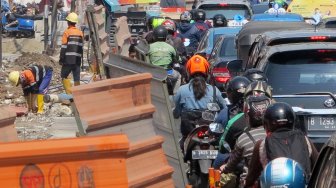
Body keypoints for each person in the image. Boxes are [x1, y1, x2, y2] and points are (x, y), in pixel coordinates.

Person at [245, 102, 319, 187]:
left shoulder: (262, 144)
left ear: (266, 124)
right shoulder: (305, 139)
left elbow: (251, 177)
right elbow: (319, 166)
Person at [173, 54, 227, 149]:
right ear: (207, 72)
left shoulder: (181, 90)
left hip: (188, 132)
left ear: (188, 72)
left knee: (180, 146)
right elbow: (224, 110)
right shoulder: (214, 90)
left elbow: (176, 114)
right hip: (210, 132)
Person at [59, 12, 84, 94]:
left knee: (64, 76)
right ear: (75, 22)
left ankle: (69, 95)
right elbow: (81, 47)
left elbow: (63, 48)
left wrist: (61, 59)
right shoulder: (80, 33)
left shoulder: (67, 32)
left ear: (68, 22)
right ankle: (78, 95)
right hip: (77, 60)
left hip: (68, 60)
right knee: (77, 78)